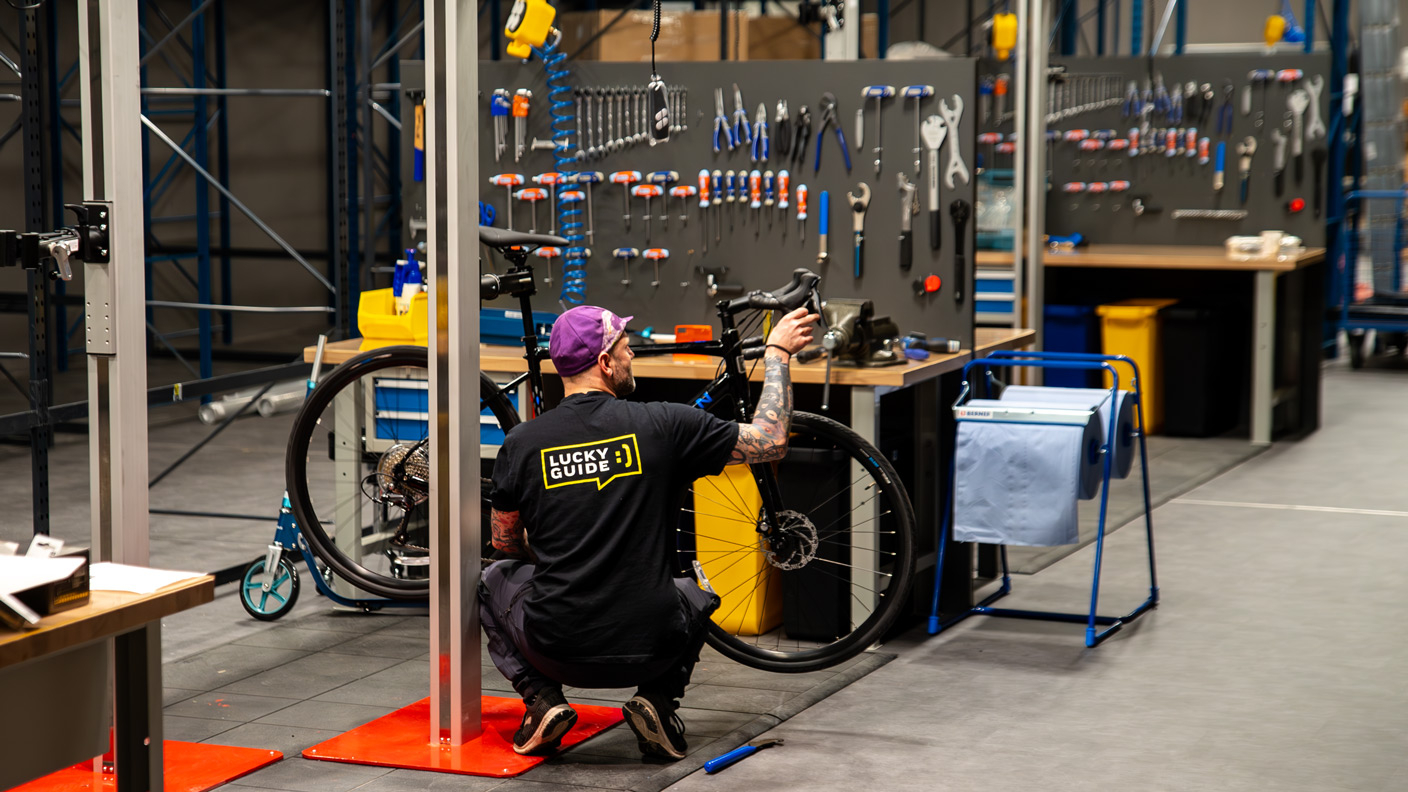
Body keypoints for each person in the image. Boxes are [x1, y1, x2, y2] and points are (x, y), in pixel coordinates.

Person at [482, 303, 818, 760]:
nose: (631, 357)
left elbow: (504, 545)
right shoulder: (664, 424)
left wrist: (562, 547)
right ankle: (657, 700)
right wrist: (777, 352)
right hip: (652, 645)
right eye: (624, 348)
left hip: (554, 646)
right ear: (604, 363)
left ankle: (541, 697)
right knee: (696, 586)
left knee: (489, 580)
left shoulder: (522, 443)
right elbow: (770, 438)